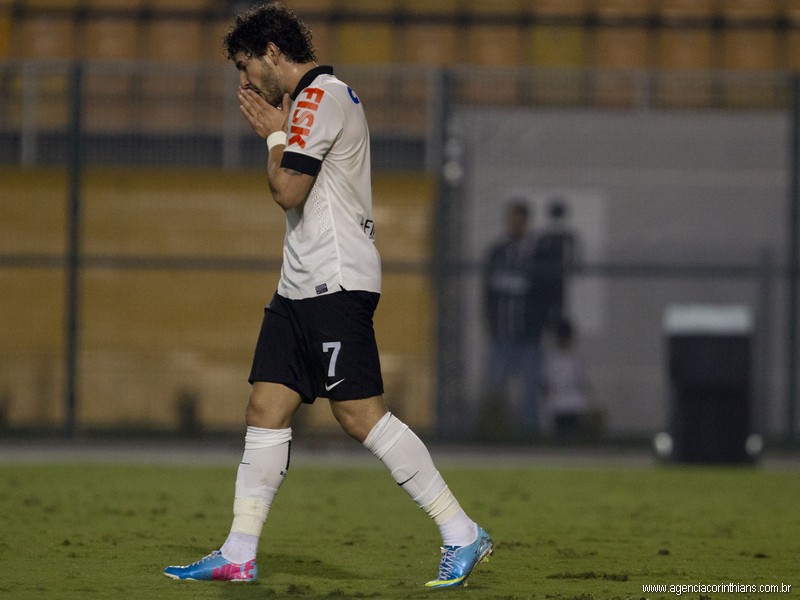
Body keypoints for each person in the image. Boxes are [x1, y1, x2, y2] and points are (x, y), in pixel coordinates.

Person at [163, 2, 492, 588]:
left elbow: (287, 189)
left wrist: (272, 134)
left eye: (245, 67)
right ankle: (239, 552)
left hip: (333, 284)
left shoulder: (319, 97)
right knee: (265, 408)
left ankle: (461, 531)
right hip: (298, 285)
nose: (244, 84)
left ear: (270, 52)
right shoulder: (315, 99)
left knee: (361, 416)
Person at [481, 200, 549, 439]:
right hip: (502, 334)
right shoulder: (498, 252)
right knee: (496, 386)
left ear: (526, 221)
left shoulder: (535, 254)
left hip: (529, 335)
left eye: (518, 219)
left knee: (529, 390)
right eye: (510, 219)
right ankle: (493, 433)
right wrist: (490, 324)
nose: (513, 224)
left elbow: (544, 292)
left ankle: (528, 436)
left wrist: (541, 324)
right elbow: (488, 293)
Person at [542, 318, 590, 441]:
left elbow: (581, 381)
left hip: (574, 405)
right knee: (559, 437)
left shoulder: (575, 358)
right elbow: (545, 382)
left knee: (574, 437)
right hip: (557, 405)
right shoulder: (551, 358)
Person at [535, 197, 578, 328]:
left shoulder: (566, 237)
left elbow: (573, 256)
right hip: (548, 277)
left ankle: (557, 323)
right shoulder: (545, 237)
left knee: (559, 302)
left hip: (558, 276)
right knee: (550, 301)